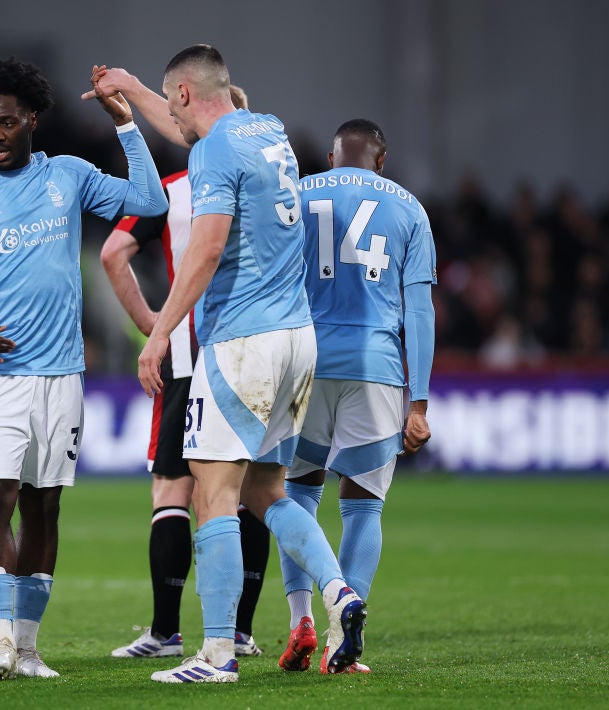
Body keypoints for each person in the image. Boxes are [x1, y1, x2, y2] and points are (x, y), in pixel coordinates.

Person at [92, 45, 366, 683]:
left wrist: (159, 334)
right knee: (267, 489)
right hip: (298, 337)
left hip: (243, 342)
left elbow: (208, 248)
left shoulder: (215, 151)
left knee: (211, 490)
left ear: (184, 94)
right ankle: (340, 596)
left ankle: (215, 655)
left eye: (172, 102)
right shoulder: (267, 131)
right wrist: (132, 88)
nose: (176, 125)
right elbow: (194, 130)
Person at [0, 57, 166, 681]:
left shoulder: (68, 176)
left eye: (7, 122)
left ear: (32, 119)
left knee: (44, 507)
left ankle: (29, 648)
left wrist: (127, 126)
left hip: (60, 374)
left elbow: (147, 199)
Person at [102, 85, 269, 660]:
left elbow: (112, 255)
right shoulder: (267, 185)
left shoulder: (170, 194)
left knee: (173, 489)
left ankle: (165, 631)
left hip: (184, 357)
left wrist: (153, 323)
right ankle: (241, 632)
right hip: (252, 350)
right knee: (251, 492)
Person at [275, 118, 436, 674]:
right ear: (381, 160)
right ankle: (340, 647)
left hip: (305, 362)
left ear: (331, 156)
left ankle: (301, 618)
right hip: (376, 367)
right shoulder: (410, 208)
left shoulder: (299, 194)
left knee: (295, 493)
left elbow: (271, 282)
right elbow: (419, 310)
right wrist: (419, 402)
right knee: (364, 503)